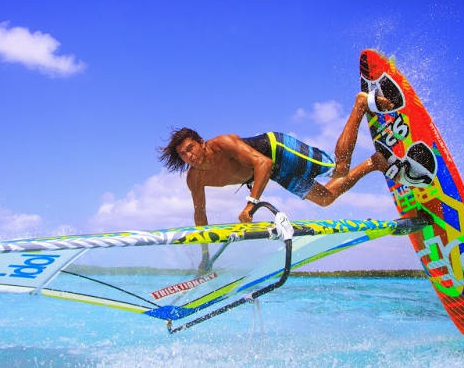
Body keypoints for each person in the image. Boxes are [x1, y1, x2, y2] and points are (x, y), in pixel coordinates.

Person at [159, 91, 395, 272]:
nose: (190, 156)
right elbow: (200, 214)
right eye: (183, 154)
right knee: (326, 199)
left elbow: (263, 164)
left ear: (201, 142)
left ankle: (361, 104)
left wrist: (251, 203)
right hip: (272, 173)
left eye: (191, 148)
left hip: (277, 150)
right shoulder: (195, 178)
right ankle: (374, 162)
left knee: (339, 168)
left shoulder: (223, 144)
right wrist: (205, 255)